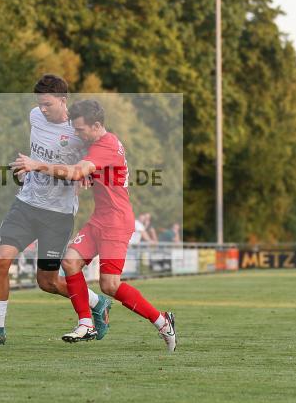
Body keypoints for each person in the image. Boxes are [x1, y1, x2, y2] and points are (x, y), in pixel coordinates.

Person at [11, 98, 177, 352]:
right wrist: (87, 174)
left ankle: (162, 321)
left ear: (96, 125)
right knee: (70, 262)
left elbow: (77, 171)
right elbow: (89, 169)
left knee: (109, 285)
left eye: (80, 129)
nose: (77, 134)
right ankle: (86, 323)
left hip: (116, 223)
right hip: (101, 219)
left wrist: (36, 165)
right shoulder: (100, 144)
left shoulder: (105, 145)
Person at [0, 74, 111, 352]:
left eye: (48, 104)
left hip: (57, 215)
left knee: (47, 282)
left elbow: (94, 162)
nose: (43, 109)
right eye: (40, 104)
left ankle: (97, 302)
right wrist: (29, 167)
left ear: (63, 101)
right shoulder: (35, 116)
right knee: (0, 261)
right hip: (25, 205)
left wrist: (85, 175)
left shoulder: (79, 130)